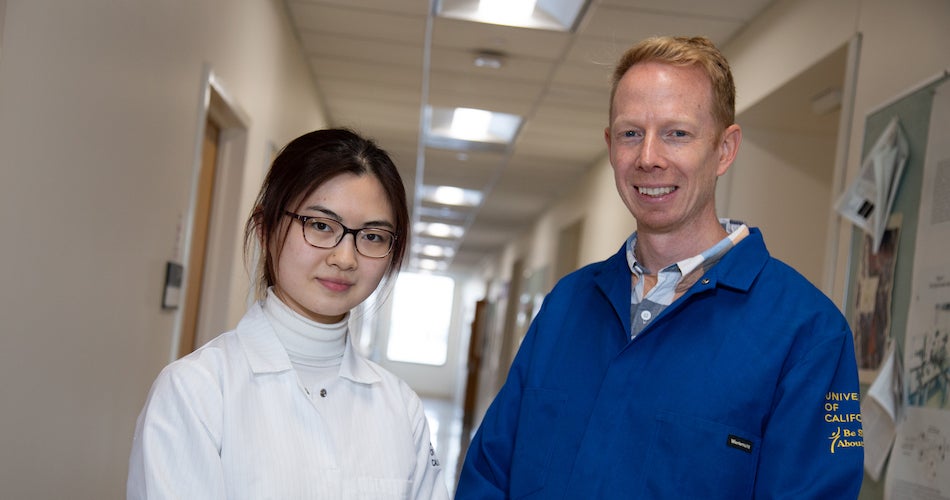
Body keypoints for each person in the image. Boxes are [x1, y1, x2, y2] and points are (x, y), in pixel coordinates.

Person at [456, 36, 864, 499]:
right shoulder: (568, 305)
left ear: (725, 150)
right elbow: (488, 474)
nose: (649, 157)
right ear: (611, 146)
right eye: (631, 133)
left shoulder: (807, 333)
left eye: (677, 133)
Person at [128, 128, 450, 499]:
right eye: (320, 225)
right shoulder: (196, 390)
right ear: (266, 230)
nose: (345, 258)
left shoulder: (400, 407)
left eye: (373, 236)